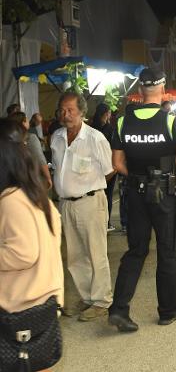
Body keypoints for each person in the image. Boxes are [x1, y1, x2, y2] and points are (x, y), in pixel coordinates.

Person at [108, 68, 176, 332]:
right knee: (166, 252)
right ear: (163, 88)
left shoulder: (122, 121)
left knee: (136, 251)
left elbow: (117, 164)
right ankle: (167, 310)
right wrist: (171, 169)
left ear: (141, 90)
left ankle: (119, 309)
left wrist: (137, 176)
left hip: (134, 193)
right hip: (163, 194)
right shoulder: (170, 121)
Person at [0, 119, 63, 372]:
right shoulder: (33, 193)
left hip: (21, 307)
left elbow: (23, 253)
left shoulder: (11, 200)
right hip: (41, 302)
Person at [50, 93, 115, 322]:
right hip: (66, 205)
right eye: (62, 110)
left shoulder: (94, 138)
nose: (65, 114)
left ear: (82, 112)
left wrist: (91, 187)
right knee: (75, 257)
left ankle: (101, 301)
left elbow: (110, 169)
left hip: (90, 202)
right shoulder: (57, 137)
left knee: (96, 253)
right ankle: (87, 298)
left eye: (70, 110)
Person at [91, 103, 118, 232]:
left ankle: (95, 221)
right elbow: (114, 149)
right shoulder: (110, 129)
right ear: (107, 113)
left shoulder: (91, 127)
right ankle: (106, 222)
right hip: (108, 167)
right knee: (108, 195)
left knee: (94, 194)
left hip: (93, 166)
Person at [8, 112, 52, 188]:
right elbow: (40, 159)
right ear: (23, 123)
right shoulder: (30, 137)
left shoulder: (8, 138)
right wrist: (48, 177)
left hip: (13, 180)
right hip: (31, 179)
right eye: (27, 120)